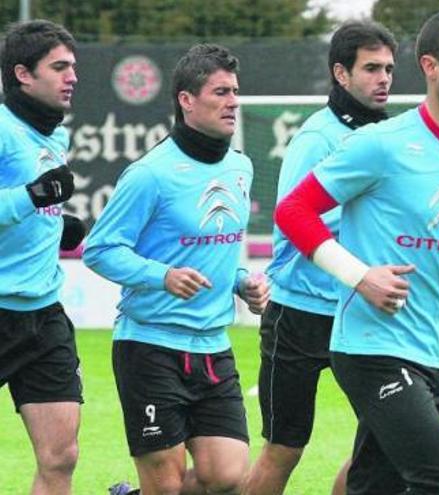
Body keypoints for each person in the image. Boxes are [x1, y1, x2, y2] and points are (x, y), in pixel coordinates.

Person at [274, 10, 439, 495]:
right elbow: (293, 211)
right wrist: (359, 276)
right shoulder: (380, 144)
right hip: (371, 349)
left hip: (432, 354)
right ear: (431, 67)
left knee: (375, 487)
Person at [83, 44, 269, 495]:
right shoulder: (150, 173)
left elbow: (220, 249)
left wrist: (242, 281)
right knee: (164, 485)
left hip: (213, 346)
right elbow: (100, 249)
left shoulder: (240, 168)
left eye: (235, 91)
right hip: (150, 345)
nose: (233, 102)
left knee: (225, 474)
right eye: (220, 92)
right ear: (187, 100)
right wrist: (161, 275)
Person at [245, 20, 397, 495]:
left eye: (389, 68)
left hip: (360, 314)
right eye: (371, 68)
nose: (384, 78)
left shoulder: (388, 136)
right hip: (301, 314)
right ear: (341, 73)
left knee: (384, 442)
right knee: (285, 448)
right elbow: (292, 218)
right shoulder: (316, 138)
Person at [0, 19, 83, 495]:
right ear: (23, 74)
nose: (72, 76)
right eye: (59, 67)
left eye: (73, 66)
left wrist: (54, 227)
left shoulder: (57, 136)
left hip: (43, 315)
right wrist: (30, 199)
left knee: (61, 456)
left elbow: (35, 204)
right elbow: (24, 197)